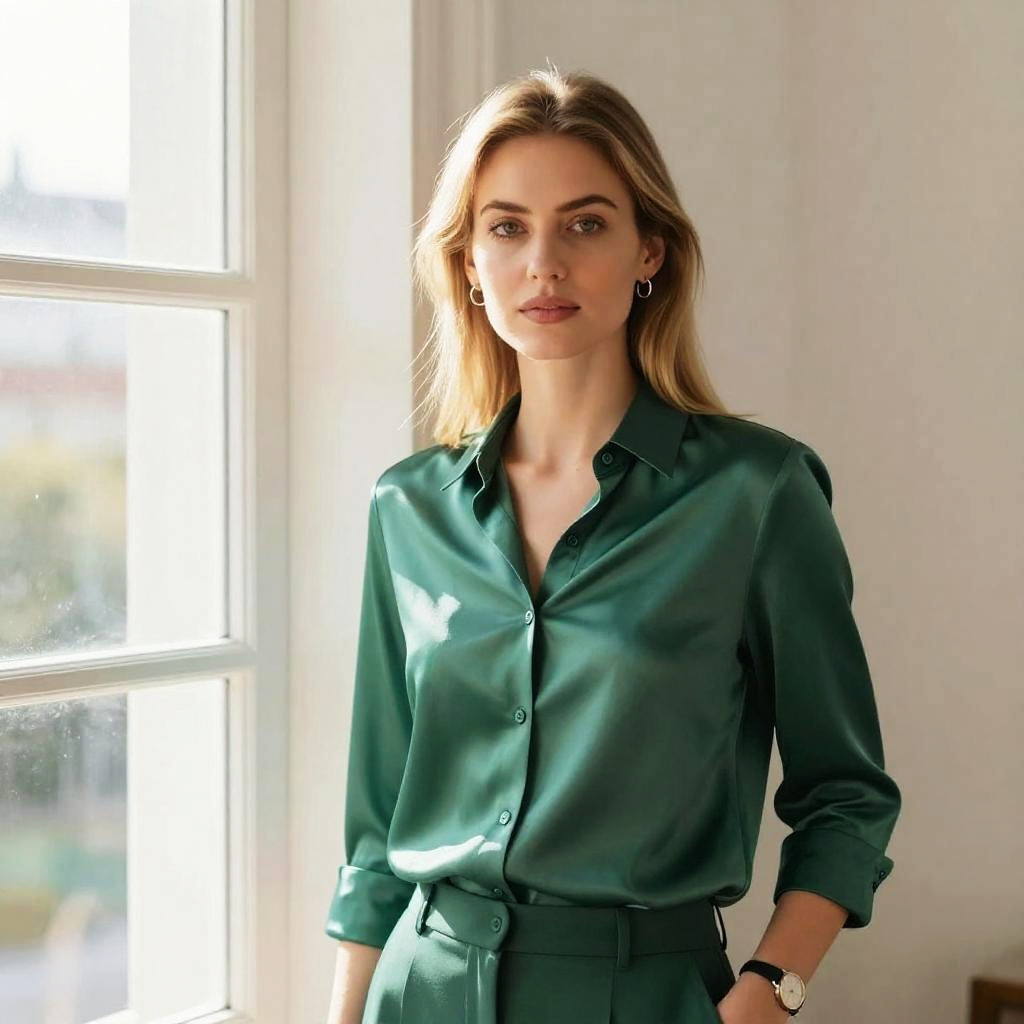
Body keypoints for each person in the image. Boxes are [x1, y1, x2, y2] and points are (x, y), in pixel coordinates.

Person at [323, 63, 901, 1024]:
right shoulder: (410, 508)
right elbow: (378, 828)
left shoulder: (756, 497)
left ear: (651, 253)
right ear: (468, 263)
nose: (543, 263)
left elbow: (846, 794)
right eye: (507, 227)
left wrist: (769, 993)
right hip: (416, 990)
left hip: (643, 995)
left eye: (585, 224)